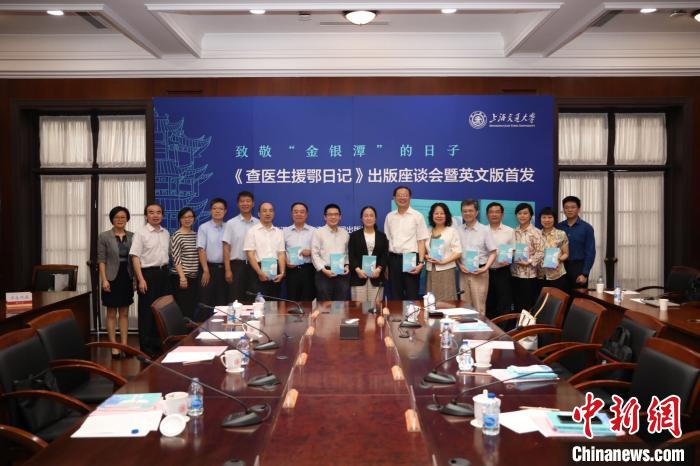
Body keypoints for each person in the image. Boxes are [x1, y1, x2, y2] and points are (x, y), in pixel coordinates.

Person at [130, 203, 170, 357]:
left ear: (162, 215)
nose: (155, 215)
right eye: (151, 212)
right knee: (147, 312)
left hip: (163, 274)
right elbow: (135, 257)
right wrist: (140, 279)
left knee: (161, 311)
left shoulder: (166, 233)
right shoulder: (141, 233)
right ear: (146, 216)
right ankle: (146, 349)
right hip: (147, 275)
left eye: (158, 212)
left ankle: (158, 344)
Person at [97, 206, 134, 359]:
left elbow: (135, 259)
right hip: (111, 278)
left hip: (127, 277)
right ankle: (114, 346)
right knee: (111, 313)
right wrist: (104, 279)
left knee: (124, 313)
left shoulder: (132, 236)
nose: (120, 220)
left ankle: (124, 345)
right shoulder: (104, 236)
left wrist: (135, 280)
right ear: (112, 219)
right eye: (117, 217)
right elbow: (101, 260)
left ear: (127, 219)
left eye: (123, 217)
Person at [383, 186, 429, 300]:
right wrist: (386, 265)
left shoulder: (417, 216)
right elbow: (387, 241)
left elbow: (421, 241)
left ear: (410, 197)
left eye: (405, 195)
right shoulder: (390, 216)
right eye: (399, 195)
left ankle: (412, 313)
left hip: (411, 258)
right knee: (395, 295)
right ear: (394, 198)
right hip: (393, 259)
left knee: (412, 294)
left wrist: (421, 262)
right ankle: (397, 313)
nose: (402, 198)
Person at [456, 200, 497, 314]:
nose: (467, 213)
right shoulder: (458, 230)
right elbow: (455, 252)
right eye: (464, 211)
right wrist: (459, 265)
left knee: (479, 307)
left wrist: (485, 268)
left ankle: (480, 326)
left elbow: (493, 252)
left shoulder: (485, 230)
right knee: (464, 306)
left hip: (479, 272)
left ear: (477, 212)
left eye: (470, 211)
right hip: (463, 272)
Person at [243, 202, 286, 298]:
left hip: (275, 270)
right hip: (257, 269)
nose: (268, 213)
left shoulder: (279, 232)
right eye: (264, 211)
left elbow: (281, 254)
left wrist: (282, 273)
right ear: (259, 214)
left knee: (274, 301)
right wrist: (259, 272)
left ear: (274, 214)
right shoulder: (252, 231)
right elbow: (250, 254)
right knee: (259, 302)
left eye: (270, 211)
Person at [223, 191, 259, 301]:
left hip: (255, 266)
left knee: (253, 299)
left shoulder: (258, 223)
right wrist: (228, 270)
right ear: (238, 204)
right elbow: (226, 248)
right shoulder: (231, 223)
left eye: (248, 201)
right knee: (236, 299)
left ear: (253, 204)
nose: (245, 204)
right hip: (237, 267)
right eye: (242, 201)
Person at [348, 206, 389, 303]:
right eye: (366, 216)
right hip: (358, 277)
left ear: (375, 219)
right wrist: (358, 270)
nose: (368, 218)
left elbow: (384, 255)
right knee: (359, 308)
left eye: (371, 215)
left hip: (376, 277)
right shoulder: (354, 236)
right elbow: (351, 255)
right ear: (361, 219)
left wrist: (379, 269)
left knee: (375, 308)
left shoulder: (382, 236)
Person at [424, 202, 462, 302]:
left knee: (447, 300)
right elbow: (424, 250)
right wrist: (425, 256)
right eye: (436, 213)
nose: (439, 216)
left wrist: (443, 262)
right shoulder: (427, 231)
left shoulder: (452, 231)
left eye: (442, 213)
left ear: (446, 215)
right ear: (432, 215)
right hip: (431, 270)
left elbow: (458, 252)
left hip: (446, 270)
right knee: (431, 300)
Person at [311, 204, 350, 300]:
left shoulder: (345, 233)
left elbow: (347, 252)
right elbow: (314, 254)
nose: (333, 217)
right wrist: (323, 270)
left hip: (341, 273)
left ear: (340, 217)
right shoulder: (318, 232)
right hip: (324, 273)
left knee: (340, 303)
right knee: (325, 304)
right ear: (325, 217)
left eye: (336, 214)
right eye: (330, 214)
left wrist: (347, 265)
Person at [557, 195, 596, 290]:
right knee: (561, 296)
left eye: (573, 207)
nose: (569, 210)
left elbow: (590, 252)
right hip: (561, 267)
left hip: (578, 268)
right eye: (566, 207)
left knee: (578, 297)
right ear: (563, 210)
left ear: (579, 209)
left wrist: (585, 274)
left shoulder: (587, 228)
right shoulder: (558, 227)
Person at [511, 203, 544, 313]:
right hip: (514, 273)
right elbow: (510, 249)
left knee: (527, 305)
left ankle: (527, 324)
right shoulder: (513, 231)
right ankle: (517, 323)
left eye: (525, 213)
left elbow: (541, 251)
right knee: (516, 304)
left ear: (531, 215)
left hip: (529, 274)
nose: (522, 216)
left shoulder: (536, 232)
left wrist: (529, 261)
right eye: (519, 213)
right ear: (516, 215)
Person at [485, 202, 515, 321]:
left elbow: (513, 250)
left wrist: (509, 258)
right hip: (486, 271)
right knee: (488, 302)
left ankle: (503, 330)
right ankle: (489, 328)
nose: (494, 214)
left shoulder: (509, 231)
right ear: (487, 215)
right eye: (491, 212)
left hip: (503, 271)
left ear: (502, 215)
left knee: (504, 303)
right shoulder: (482, 230)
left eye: (497, 212)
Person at [198, 198, 228, 310]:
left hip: (224, 270)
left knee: (222, 302)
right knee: (206, 301)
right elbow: (201, 250)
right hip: (208, 269)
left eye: (220, 209)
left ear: (225, 211)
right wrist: (206, 270)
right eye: (214, 208)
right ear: (211, 210)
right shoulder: (204, 227)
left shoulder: (228, 227)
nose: (217, 211)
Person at [283, 202, 316, 301]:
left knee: (308, 300)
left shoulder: (314, 231)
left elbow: (321, 250)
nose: (299, 214)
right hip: (291, 270)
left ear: (306, 215)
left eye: (302, 212)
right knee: (292, 300)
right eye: (296, 212)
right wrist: (286, 262)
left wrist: (311, 252)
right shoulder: (285, 232)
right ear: (292, 214)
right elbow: (281, 251)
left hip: (309, 269)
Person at [170, 207, 199, 320]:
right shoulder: (176, 235)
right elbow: (176, 258)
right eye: (184, 217)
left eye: (190, 217)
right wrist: (182, 277)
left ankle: (190, 330)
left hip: (194, 278)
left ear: (194, 219)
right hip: (181, 278)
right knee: (183, 309)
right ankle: (182, 331)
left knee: (192, 307)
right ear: (180, 219)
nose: (187, 219)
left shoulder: (196, 235)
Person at [538, 207, 569, 293]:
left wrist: (558, 260)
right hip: (541, 275)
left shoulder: (561, 234)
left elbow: (566, 254)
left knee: (556, 299)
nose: (547, 220)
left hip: (557, 275)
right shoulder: (536, 234)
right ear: (540, 219)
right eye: (544, 217)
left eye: (550, 217)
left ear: (554, 219)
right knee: (542, 299)